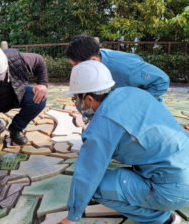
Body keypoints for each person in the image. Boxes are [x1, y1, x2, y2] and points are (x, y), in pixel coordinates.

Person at [61, 61, 189, 224]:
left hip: (176, 190)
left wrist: (73, 215)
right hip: (182, 168)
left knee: (96, 187)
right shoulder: (132, 92)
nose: (76, 103)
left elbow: (88, 174)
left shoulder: (101, 126)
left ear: (89, 99)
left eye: (76, 98)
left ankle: (163, 219)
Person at [65, 34, 170, 103]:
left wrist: (134, 102)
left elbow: (162, 80)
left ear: (92, 61)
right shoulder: (92, 65)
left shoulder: (126, 67)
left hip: (146, 111)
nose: (74, 69)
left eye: (75, 65)